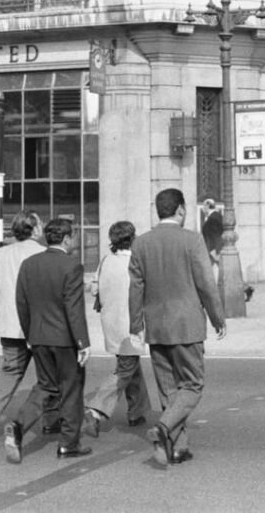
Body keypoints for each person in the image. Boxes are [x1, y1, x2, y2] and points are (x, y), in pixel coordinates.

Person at [129, 188, 226, 467]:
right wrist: (217, 317)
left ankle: (178, 447)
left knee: (169, 389)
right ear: (181, 210)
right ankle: (163, 427)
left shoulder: (141, 243)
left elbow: (136, 287)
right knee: (193, 385)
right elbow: (206, 284)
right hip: (187, 325)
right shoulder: (192, 240)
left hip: (156, 326)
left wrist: (136, 323)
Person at [5, 218, 91, 462]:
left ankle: (19, 425)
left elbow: (21, 302)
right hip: (64, 338)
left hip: (38, 335)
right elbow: (73, 308)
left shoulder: (29, 264)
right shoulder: (72, 265)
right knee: (71, 389)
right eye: (73, 237)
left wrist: (30, 333)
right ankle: (68, 443)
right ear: (66, 238)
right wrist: (83, 342)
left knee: (46, 385)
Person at [0, 211, 45, 445]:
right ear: (34, 229)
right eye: (40, 224)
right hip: (38, 325)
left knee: (10, 371)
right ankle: (43, 420)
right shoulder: (43, 253)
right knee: (49, 377)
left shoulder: (2, 254)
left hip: (8, 324)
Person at [82, 221, 151, 436]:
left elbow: (94, 289)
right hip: (131, 324)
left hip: (110, 322)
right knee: (125, 368)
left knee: (130, 363)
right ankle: (95, 411)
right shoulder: (137, 261)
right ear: (132, 238)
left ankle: (137, 411)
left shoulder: (105, 261)